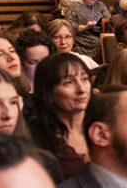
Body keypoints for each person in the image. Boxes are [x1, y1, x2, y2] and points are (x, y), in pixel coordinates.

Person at [25, 52, 94, 181]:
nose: (81, 89)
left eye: (84, 79)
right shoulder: (36, 138)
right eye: (68, 83)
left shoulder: (103, 124)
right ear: (48, 93)